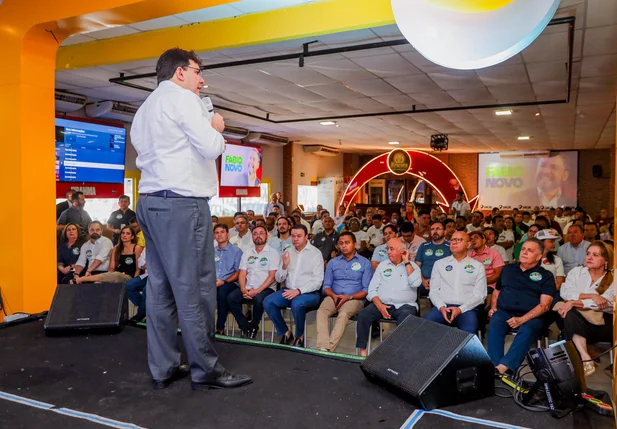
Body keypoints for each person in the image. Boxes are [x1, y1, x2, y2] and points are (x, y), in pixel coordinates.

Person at [131, 48, 250, 390]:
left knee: (160, 288)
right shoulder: (183, 100)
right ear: (180, 73)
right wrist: (216, 126)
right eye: (198, 71)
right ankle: (206, 368)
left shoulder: (145, 108)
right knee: (195, 289)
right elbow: (213, 148)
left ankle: (164, 366)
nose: (203, 79)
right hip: (182, 205)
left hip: (151, 202)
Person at [488, 238, 556, 376]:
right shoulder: (508, 269)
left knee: (528, 329)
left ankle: (505, 367)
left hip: (532, 315)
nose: (524, 252)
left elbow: (544, 305)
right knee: (495, 322)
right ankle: (493, 366)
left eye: (530, 250)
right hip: (505, 311)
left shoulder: (546, 275)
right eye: (523, 249)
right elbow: (497, 291)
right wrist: (493, 307)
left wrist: (522, 319)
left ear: (539, 256)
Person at [355, 238, 421, 357]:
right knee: (363, 315)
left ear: (402, 251)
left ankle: (399, 355)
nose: (388, 252)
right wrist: (379, 305)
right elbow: (372, 289)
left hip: (405, 305)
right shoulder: (382, 265)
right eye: (387, 249)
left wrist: (406, 262)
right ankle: (362, 353)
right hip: (382, 303)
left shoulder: (413, 267)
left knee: (407, 318)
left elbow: (416, 283)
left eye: (392, 249)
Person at [557, 241, 614, 376]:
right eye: (588, 254)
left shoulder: (614, 276)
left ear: (606, 259)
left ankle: (578, 360)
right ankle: (585, 357)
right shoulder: (577, 272)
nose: (589, 257)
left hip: (603, 324)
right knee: (569, 314)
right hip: (577, 321)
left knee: (569, 311)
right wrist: (592, 296)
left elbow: (607, 304)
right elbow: (565, 292)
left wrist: (573, 302)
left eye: (595, 255)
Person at [264, 224, 324, 347]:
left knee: (297, 303)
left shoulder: (315, 253)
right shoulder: (288, 252)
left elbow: (317, 282)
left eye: (299, 236)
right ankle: (285, 332)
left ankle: (299, 336)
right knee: (268, 302)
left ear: (306, 236)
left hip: (309, 293)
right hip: (289, 290)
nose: (295, 239)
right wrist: (284, 266)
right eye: (293, 236)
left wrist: (299, 291)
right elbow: (279, 278)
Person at [316, 232, 372, 352]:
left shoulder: (365, 263)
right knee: (321, 311)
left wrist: (349, 297)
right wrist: (332, 295)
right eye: (341, 243)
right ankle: (322, 346)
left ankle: (328, 349)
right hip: (333, 296)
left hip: (354, 299)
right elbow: (326, 286)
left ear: (355, 244)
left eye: (347, 243)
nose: (344, 246)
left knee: (343, 314)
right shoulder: (333, 262)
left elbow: (366, 290)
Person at [426, 232, 487, 334]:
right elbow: (434, 291)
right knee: (425, 325)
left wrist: (461, 309)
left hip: (467, 308)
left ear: (468, 245)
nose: (454, 242)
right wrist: (441, 307)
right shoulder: (439, 264)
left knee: (469, 331)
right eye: (453, 239)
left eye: (459, 240)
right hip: (443, 307)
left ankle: (462, 350)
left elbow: (480, 295)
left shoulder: (478, 266)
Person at [229, 226, 279, 339]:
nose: (258, 236)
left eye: (261, 233)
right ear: (252, 236)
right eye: (255, 233)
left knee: (259, 299)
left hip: (266, 288)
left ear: (266, 236)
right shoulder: (247, 252)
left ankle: (254, 326)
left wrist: (257, 291)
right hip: (248, 287)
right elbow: (242, 273)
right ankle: (245, 326)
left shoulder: (273, 253)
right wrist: (242, 288)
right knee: (231, 298)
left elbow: (272, 277)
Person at [75, 226, 143, 284]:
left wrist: (134, 282)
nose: (124, 235)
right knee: (100, 282)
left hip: (129, 277)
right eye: (123, 233)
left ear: (132, 237)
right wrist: (109, 278)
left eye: (128, 233)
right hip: (115, 275)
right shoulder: (116, 248)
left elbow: (138, 269)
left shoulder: (136, 248)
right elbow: (111, 268)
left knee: (117, 275)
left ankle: (83, 279)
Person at [212, 223, 243, 335]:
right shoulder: (211, 251)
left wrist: (224, 281)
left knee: (222, 293)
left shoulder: (236, 251)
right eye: (217, 233)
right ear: (214, 236)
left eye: (222, 232)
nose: (219, 235)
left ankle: (220, 328)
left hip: (231, 282)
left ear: (228, 234)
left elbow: (238, 272)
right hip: (214, 282)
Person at [415, 221, 452, 299]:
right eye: (432, 229)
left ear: (445, 232)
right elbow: (417, 266)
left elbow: (452, 268)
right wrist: (423, 280)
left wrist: (436, 283)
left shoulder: (450, 247)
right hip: (423, 282)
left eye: (438, 229)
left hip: (443, 283)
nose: (435, 231)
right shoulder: (424, 246)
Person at [126, 247, 148, 323]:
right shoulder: (148, 245)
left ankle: (140, 314)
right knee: (128, 286)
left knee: (147, 289)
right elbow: (140, 262)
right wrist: (150, 264)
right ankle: (145, 308)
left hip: (162, 276)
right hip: (148, 274)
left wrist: (148, 264)